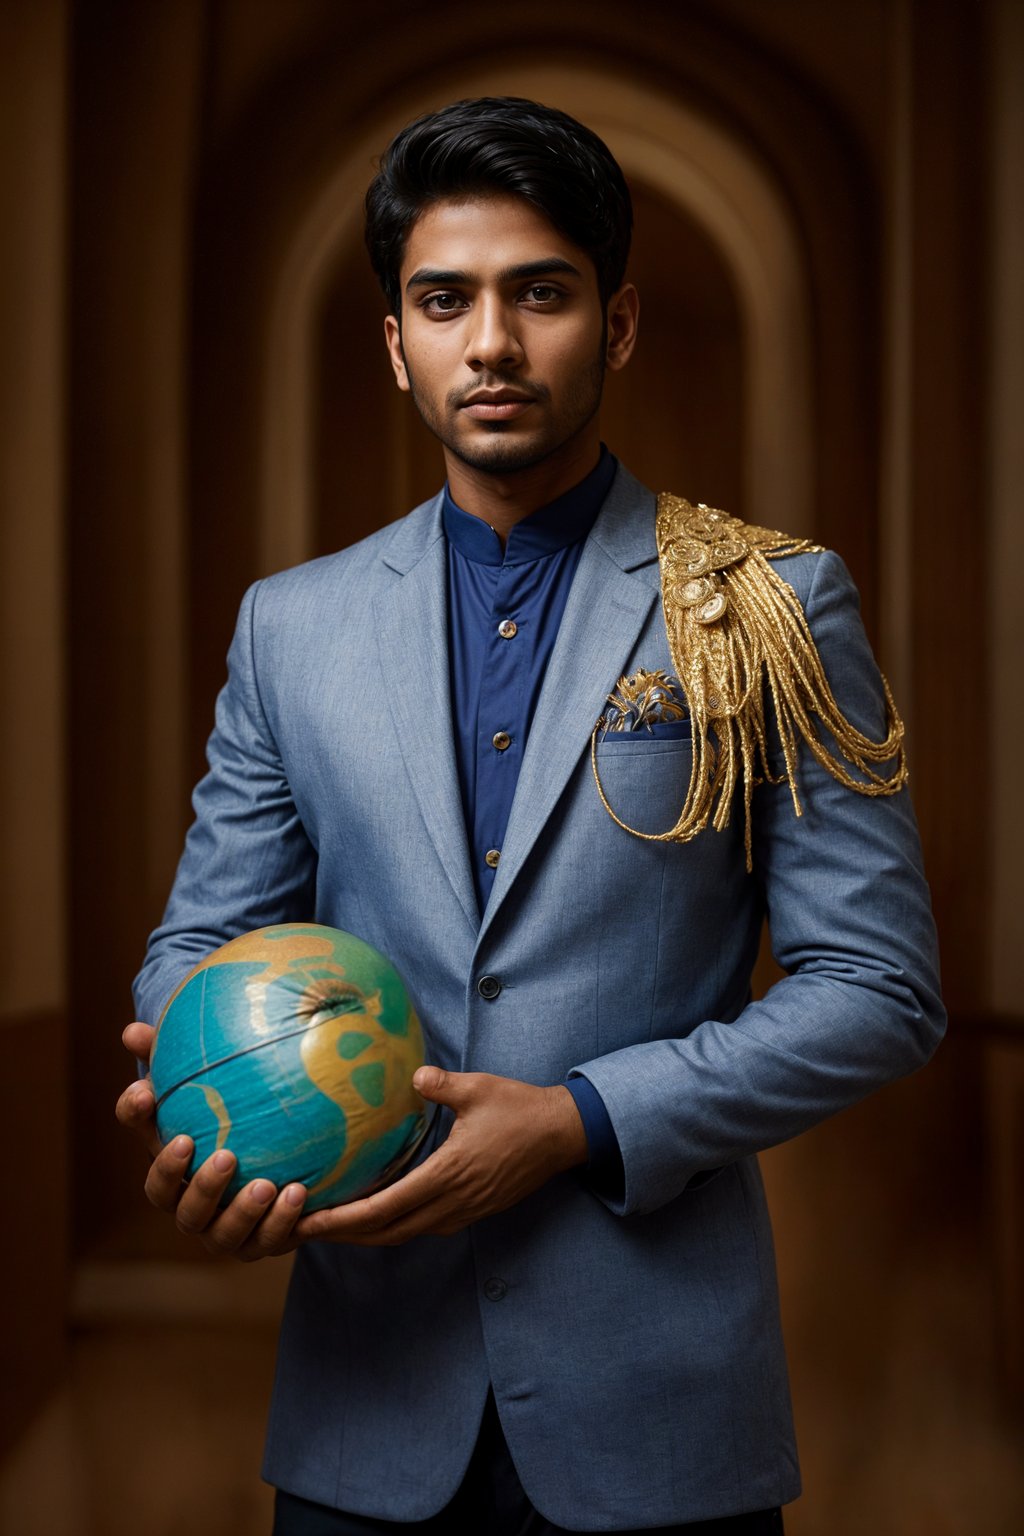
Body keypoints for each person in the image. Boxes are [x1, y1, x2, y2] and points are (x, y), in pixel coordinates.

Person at [118, 97, 944, 1535]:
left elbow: (880, 987)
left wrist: (577, 1122)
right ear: (396, 344)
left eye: (539, 294)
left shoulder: (771, 605)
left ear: (615, 326)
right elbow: (204, 934)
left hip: (664, 1416)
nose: (489, 343)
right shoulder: (290, 629)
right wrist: (211, 1106)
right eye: (444, 301)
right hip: (363, 1407)